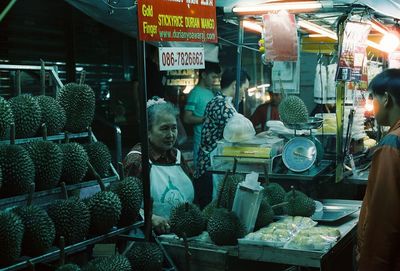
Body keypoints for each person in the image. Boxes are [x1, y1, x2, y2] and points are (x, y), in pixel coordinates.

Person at [123, 97, 194, 234]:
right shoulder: (136, 160)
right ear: (148, 131)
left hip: (179, 234)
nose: (171, 135)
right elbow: (124, 204)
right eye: (164, 129)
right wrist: (150, 218)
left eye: (174, 128)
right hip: (146, 238)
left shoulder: (177, 156)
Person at [356, 69, 400, 270]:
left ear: (387, 99)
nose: (370, 105)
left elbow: (383, 218)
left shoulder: (391, 144)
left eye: (373, 97)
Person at [194, 68, 251, 208]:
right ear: (235, 86)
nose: (245, 94)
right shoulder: (220, 104)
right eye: (245, 89)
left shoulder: (226, 103)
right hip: (210, 168)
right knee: (210, 212)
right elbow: (240, 134)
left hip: (217, 164)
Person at [183, 62, 221, 167]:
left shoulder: (211, 92)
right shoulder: (195, 93)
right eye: (213, 76)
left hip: (212, 142)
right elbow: (187, 118)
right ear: (204, 75)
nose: (215, 80)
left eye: (216, 77)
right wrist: (207, 119)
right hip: (201, 142)